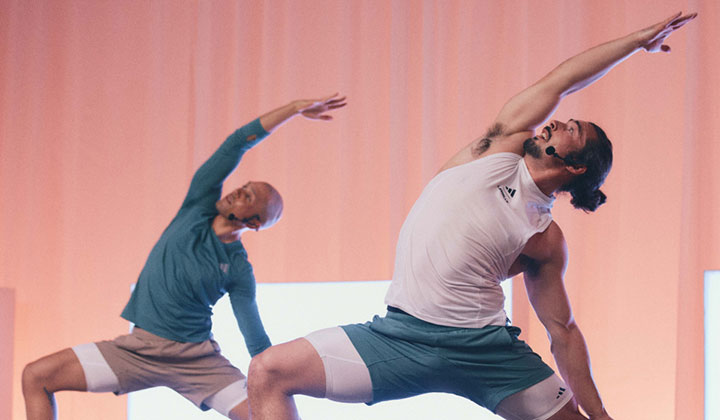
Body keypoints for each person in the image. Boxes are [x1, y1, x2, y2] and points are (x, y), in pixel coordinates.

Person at [246, 12, 696, 420]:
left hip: (486, 351)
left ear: (576, 167)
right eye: (563, 121)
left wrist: (599, 415)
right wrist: (635, 42)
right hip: (401, 337)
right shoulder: (497, 149)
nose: (558, 123)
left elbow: (562, 330)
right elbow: (561, 81)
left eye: (571, 130)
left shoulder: (544, 237)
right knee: (268, 372)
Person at [21, 94, 347, 420]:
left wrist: (282, 377)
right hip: (137, 351)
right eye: (243, 186)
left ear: (253, 223)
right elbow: (236, 144)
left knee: (269, 415)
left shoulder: (237, 268)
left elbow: (255, 337)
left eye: (247, 197)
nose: (237, 191)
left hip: (197, 361)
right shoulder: (197, 208)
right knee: (36, 376)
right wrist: (292, 109)